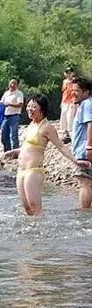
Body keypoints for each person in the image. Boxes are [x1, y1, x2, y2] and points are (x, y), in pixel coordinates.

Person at [4, 94, 88, 216]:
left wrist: (75, 161)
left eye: (33, 107)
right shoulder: (31, 125)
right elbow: (28, 147)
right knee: (27, 208)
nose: (29, 109)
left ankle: (41, 233)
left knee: (35, 207)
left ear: (42, 109)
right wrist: (15, 151)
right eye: (28, 106)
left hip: (33, 171)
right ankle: (30, 233)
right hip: (21, 170)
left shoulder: (47, 127)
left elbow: (61, 146)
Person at [71, 77, 92, 209]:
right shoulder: (86, 104)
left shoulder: (87, 104)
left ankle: (83, 215)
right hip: (84, 149)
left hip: (84, 151)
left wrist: (89, 147)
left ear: (86, 92)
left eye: (77, 90)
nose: (73, 93)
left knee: (85, 183)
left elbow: (91, 124)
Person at [0, 78, 25, 151]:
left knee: (14, 135)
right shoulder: (6, 93)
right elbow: (2, 102)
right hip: (6, 116)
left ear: (17, 85)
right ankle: (7, 151)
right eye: (11, 83)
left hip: (14, 116)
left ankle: (15, 151)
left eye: (14, 83)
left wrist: (10, 104)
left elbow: (20, 104)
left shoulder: (19, 93)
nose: (12, 85)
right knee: (4, 134)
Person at [60, 67, 77, 144]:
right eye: (67, 73)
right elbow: (64, 92)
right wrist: (62, 101)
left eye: (70, 72)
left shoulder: (75, 81)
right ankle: (66, 134)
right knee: (63, 118)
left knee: (70, 118)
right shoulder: (64, 81)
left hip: (72, 101)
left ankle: (72, 134)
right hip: (65, 101)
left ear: (73, 73)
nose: (68, 74)